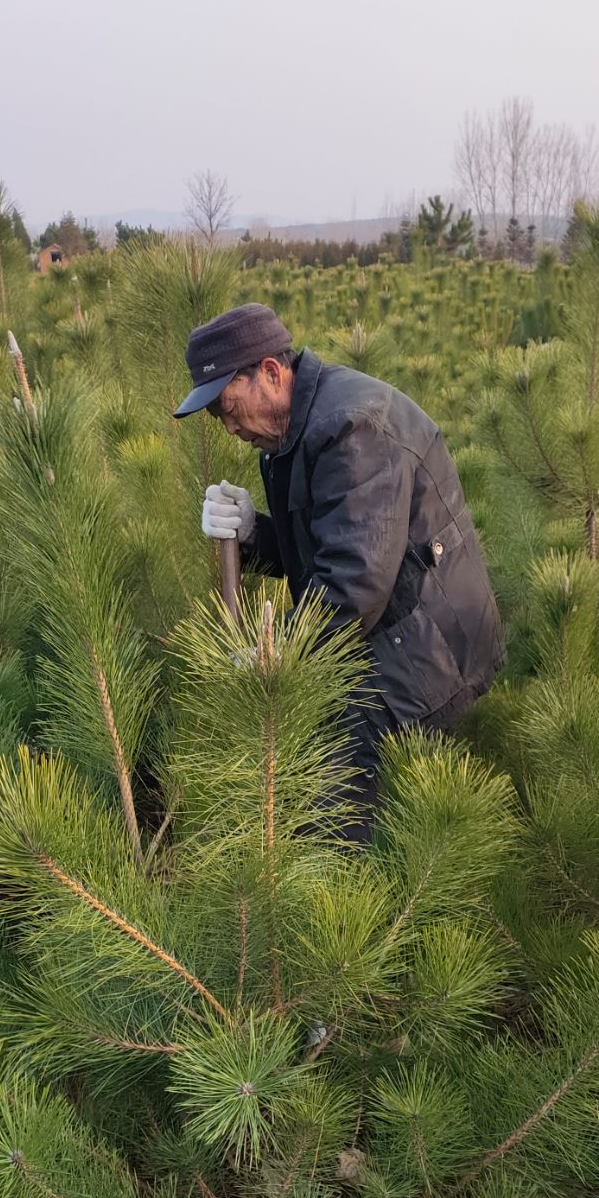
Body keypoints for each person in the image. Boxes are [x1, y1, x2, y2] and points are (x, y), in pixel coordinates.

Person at [174, 302, 503, 837]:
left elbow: (354, 586)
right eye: (216, 418)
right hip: (391, 633)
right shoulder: (290, 431)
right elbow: (328, 544)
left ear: (271, 373)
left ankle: (374, 913)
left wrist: (269, 651)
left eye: (228, 408)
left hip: (425, 650)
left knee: (339, 817)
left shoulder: (350, 428)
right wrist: (255, 532)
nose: (228, 427)